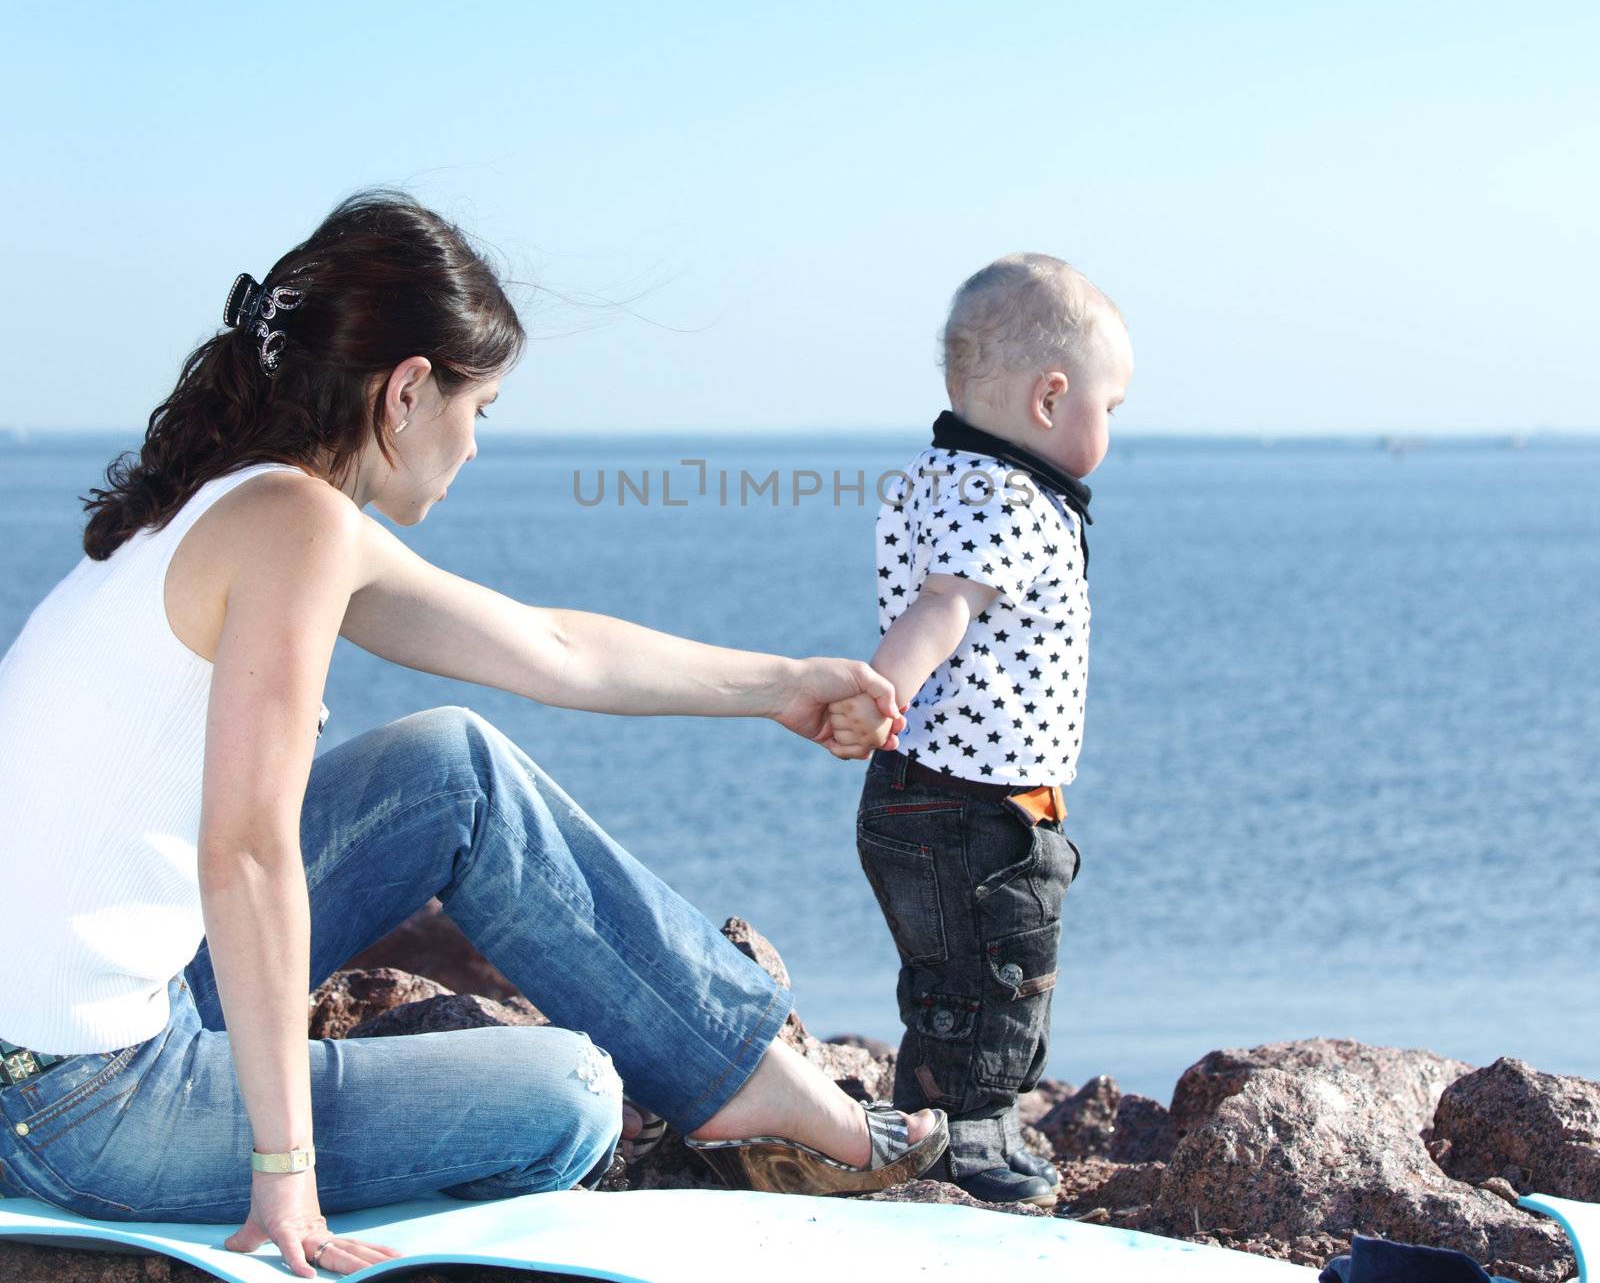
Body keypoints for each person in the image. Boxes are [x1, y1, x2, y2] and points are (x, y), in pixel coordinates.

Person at [0, 189, 947, 1279]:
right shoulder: (294, 527)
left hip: (65, 1045)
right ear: (407, 390)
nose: (477, 446)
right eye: (480, 409)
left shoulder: (237, 502)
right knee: (575, 1096)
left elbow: (552, 646)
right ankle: (741, 1092)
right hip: (79, 1105)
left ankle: (743, 1086)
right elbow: (248, 850)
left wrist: (782, 684)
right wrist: (284, 1178)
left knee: (450, 766)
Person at [825, 252, 1134, 1207]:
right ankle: (968, 1143)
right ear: (1051, 398)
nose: (1111, 428)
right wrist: (883, 688)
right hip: (974, 805)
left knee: (953, 974)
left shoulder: (939, 474)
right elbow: (944, 607)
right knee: (998, 975)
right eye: (1109, 407)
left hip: (928, 792)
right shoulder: (1005, 498)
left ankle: (930, 1125)